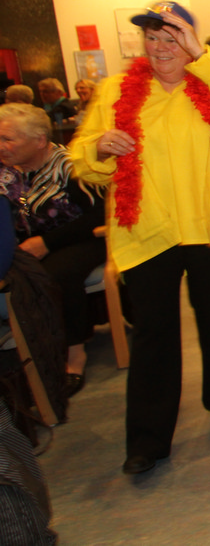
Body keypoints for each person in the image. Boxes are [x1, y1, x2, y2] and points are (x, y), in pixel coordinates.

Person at [70, 0, 210, 476]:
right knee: (154, 334)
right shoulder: (116, 91)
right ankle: (147, 441)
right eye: (152, 37)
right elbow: (82, 158)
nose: (159, 47)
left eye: (172, 37)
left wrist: (203, 55)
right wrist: (98, 148)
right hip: (147, 230)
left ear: (190, 42)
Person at [0, 104, 106, 397]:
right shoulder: (7, 172)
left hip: (83, 239)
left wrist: (47, 243)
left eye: (7, 139)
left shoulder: (72, 166)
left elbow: (99, 216)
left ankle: (74, 354)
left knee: (54, 275)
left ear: (39, 140)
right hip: (27, 246)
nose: (1, 146)